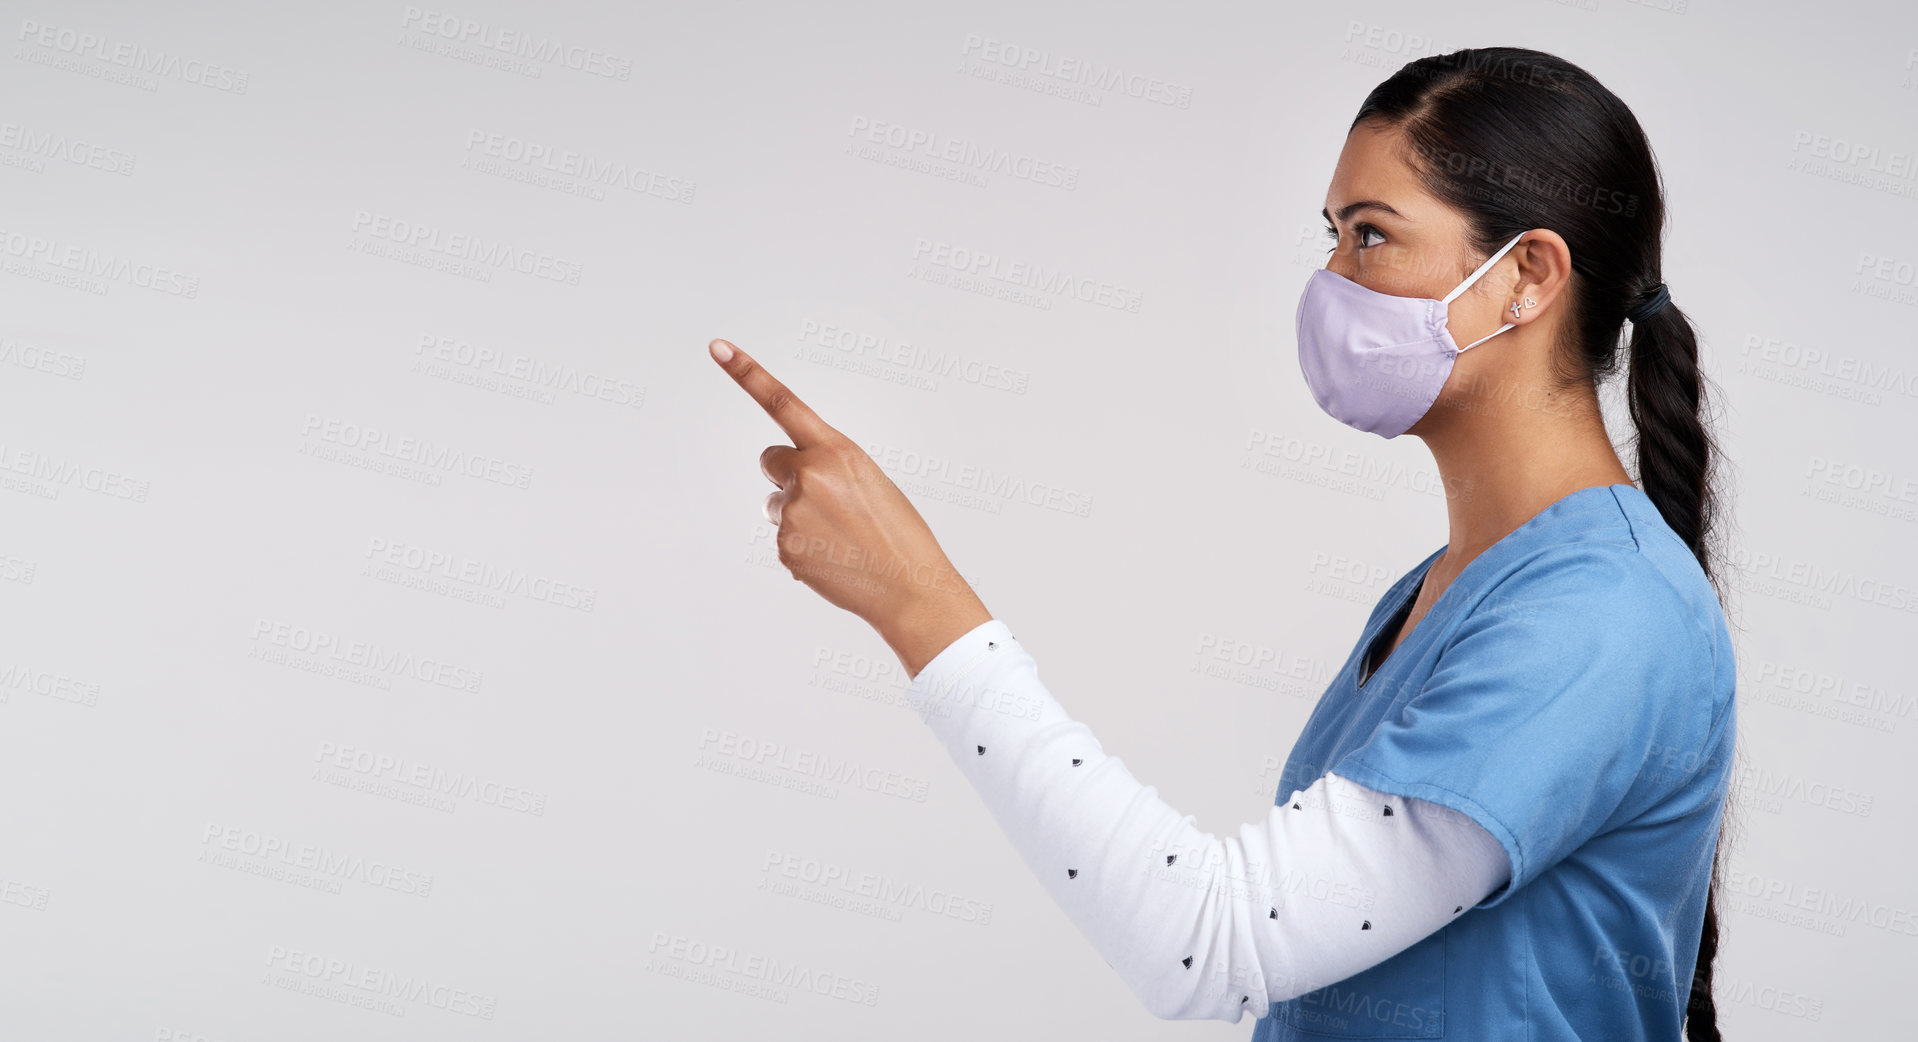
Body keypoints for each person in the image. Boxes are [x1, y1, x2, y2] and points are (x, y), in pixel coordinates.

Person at [709, 45, 1739, 1042]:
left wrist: (913, 597)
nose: (1330, 278)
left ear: (1526, 276)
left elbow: (1210, 943)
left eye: (1371, 236)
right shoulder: (1447, 589)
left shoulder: (1597, 617)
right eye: (1330, 234)